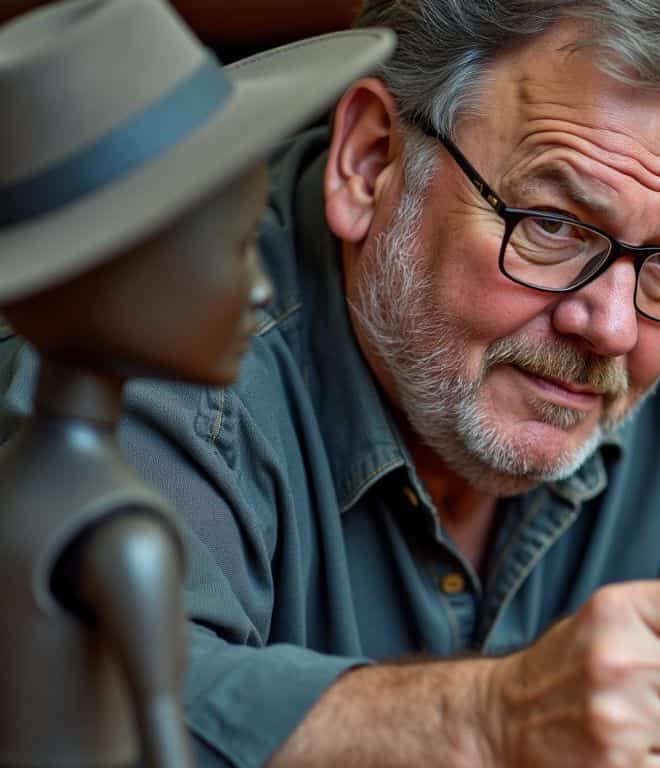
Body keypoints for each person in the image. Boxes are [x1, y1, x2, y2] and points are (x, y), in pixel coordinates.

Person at [0, 1, 660, 766]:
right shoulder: (158, 332)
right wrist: (492, 720)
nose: (610, 326)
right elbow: (86, 707)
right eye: (555, 227)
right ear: (368, 161)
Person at [0, 1, 391, 766]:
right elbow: (163, 743)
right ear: (111, 276)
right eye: (242, 246)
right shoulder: (124, 533)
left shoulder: (16, 486)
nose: (259, 289)